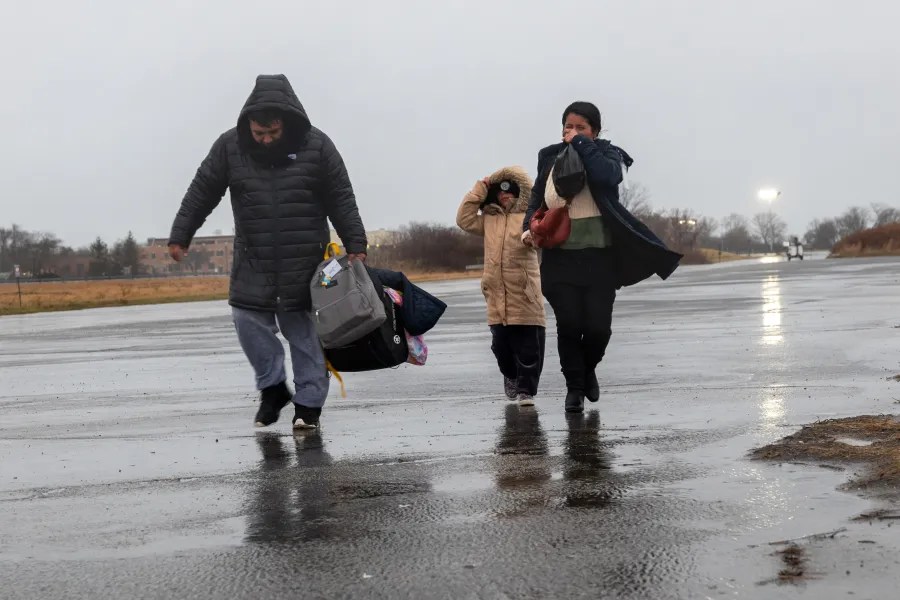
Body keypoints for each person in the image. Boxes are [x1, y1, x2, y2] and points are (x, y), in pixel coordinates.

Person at [168, 74, 368, 430]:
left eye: (271, 133)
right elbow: (202, 191)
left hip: (305, 263)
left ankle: (308, 406)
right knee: (247, 321)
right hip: (253, 260)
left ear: (286, 123)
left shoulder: (318, 146)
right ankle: (273, 387)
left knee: (302, 334)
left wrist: (356, 244)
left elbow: (341, 196)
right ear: (249, 124)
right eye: (258, 134)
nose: (264, 140)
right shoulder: (229, 147)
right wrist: (181, 235)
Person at [523, 102, 682, 413]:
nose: (573, 132)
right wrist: (526, 226)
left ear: (594, 131)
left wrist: (581, 144)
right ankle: (574, 388)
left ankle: (588, 368)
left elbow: (608, 178)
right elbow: (536, 197)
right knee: (569, 325)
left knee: (598, 329)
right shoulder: (550, 157)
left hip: (600, 260)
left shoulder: (609, 155)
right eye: (569, 126)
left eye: (581, 127)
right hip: (560, 259)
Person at [457, 166, 546, 407]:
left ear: (520, 193)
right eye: (500, 192)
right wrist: (481, 187)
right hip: (496, 292)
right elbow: (463, 219)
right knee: (500, 345)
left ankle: (526, 391)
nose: (505, 196)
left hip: (524, 291)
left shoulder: (529, 214)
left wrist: (532, 236)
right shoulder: (489, 219)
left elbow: (541, 233)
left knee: (529, 346)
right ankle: (510, 374)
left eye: (510, 191)